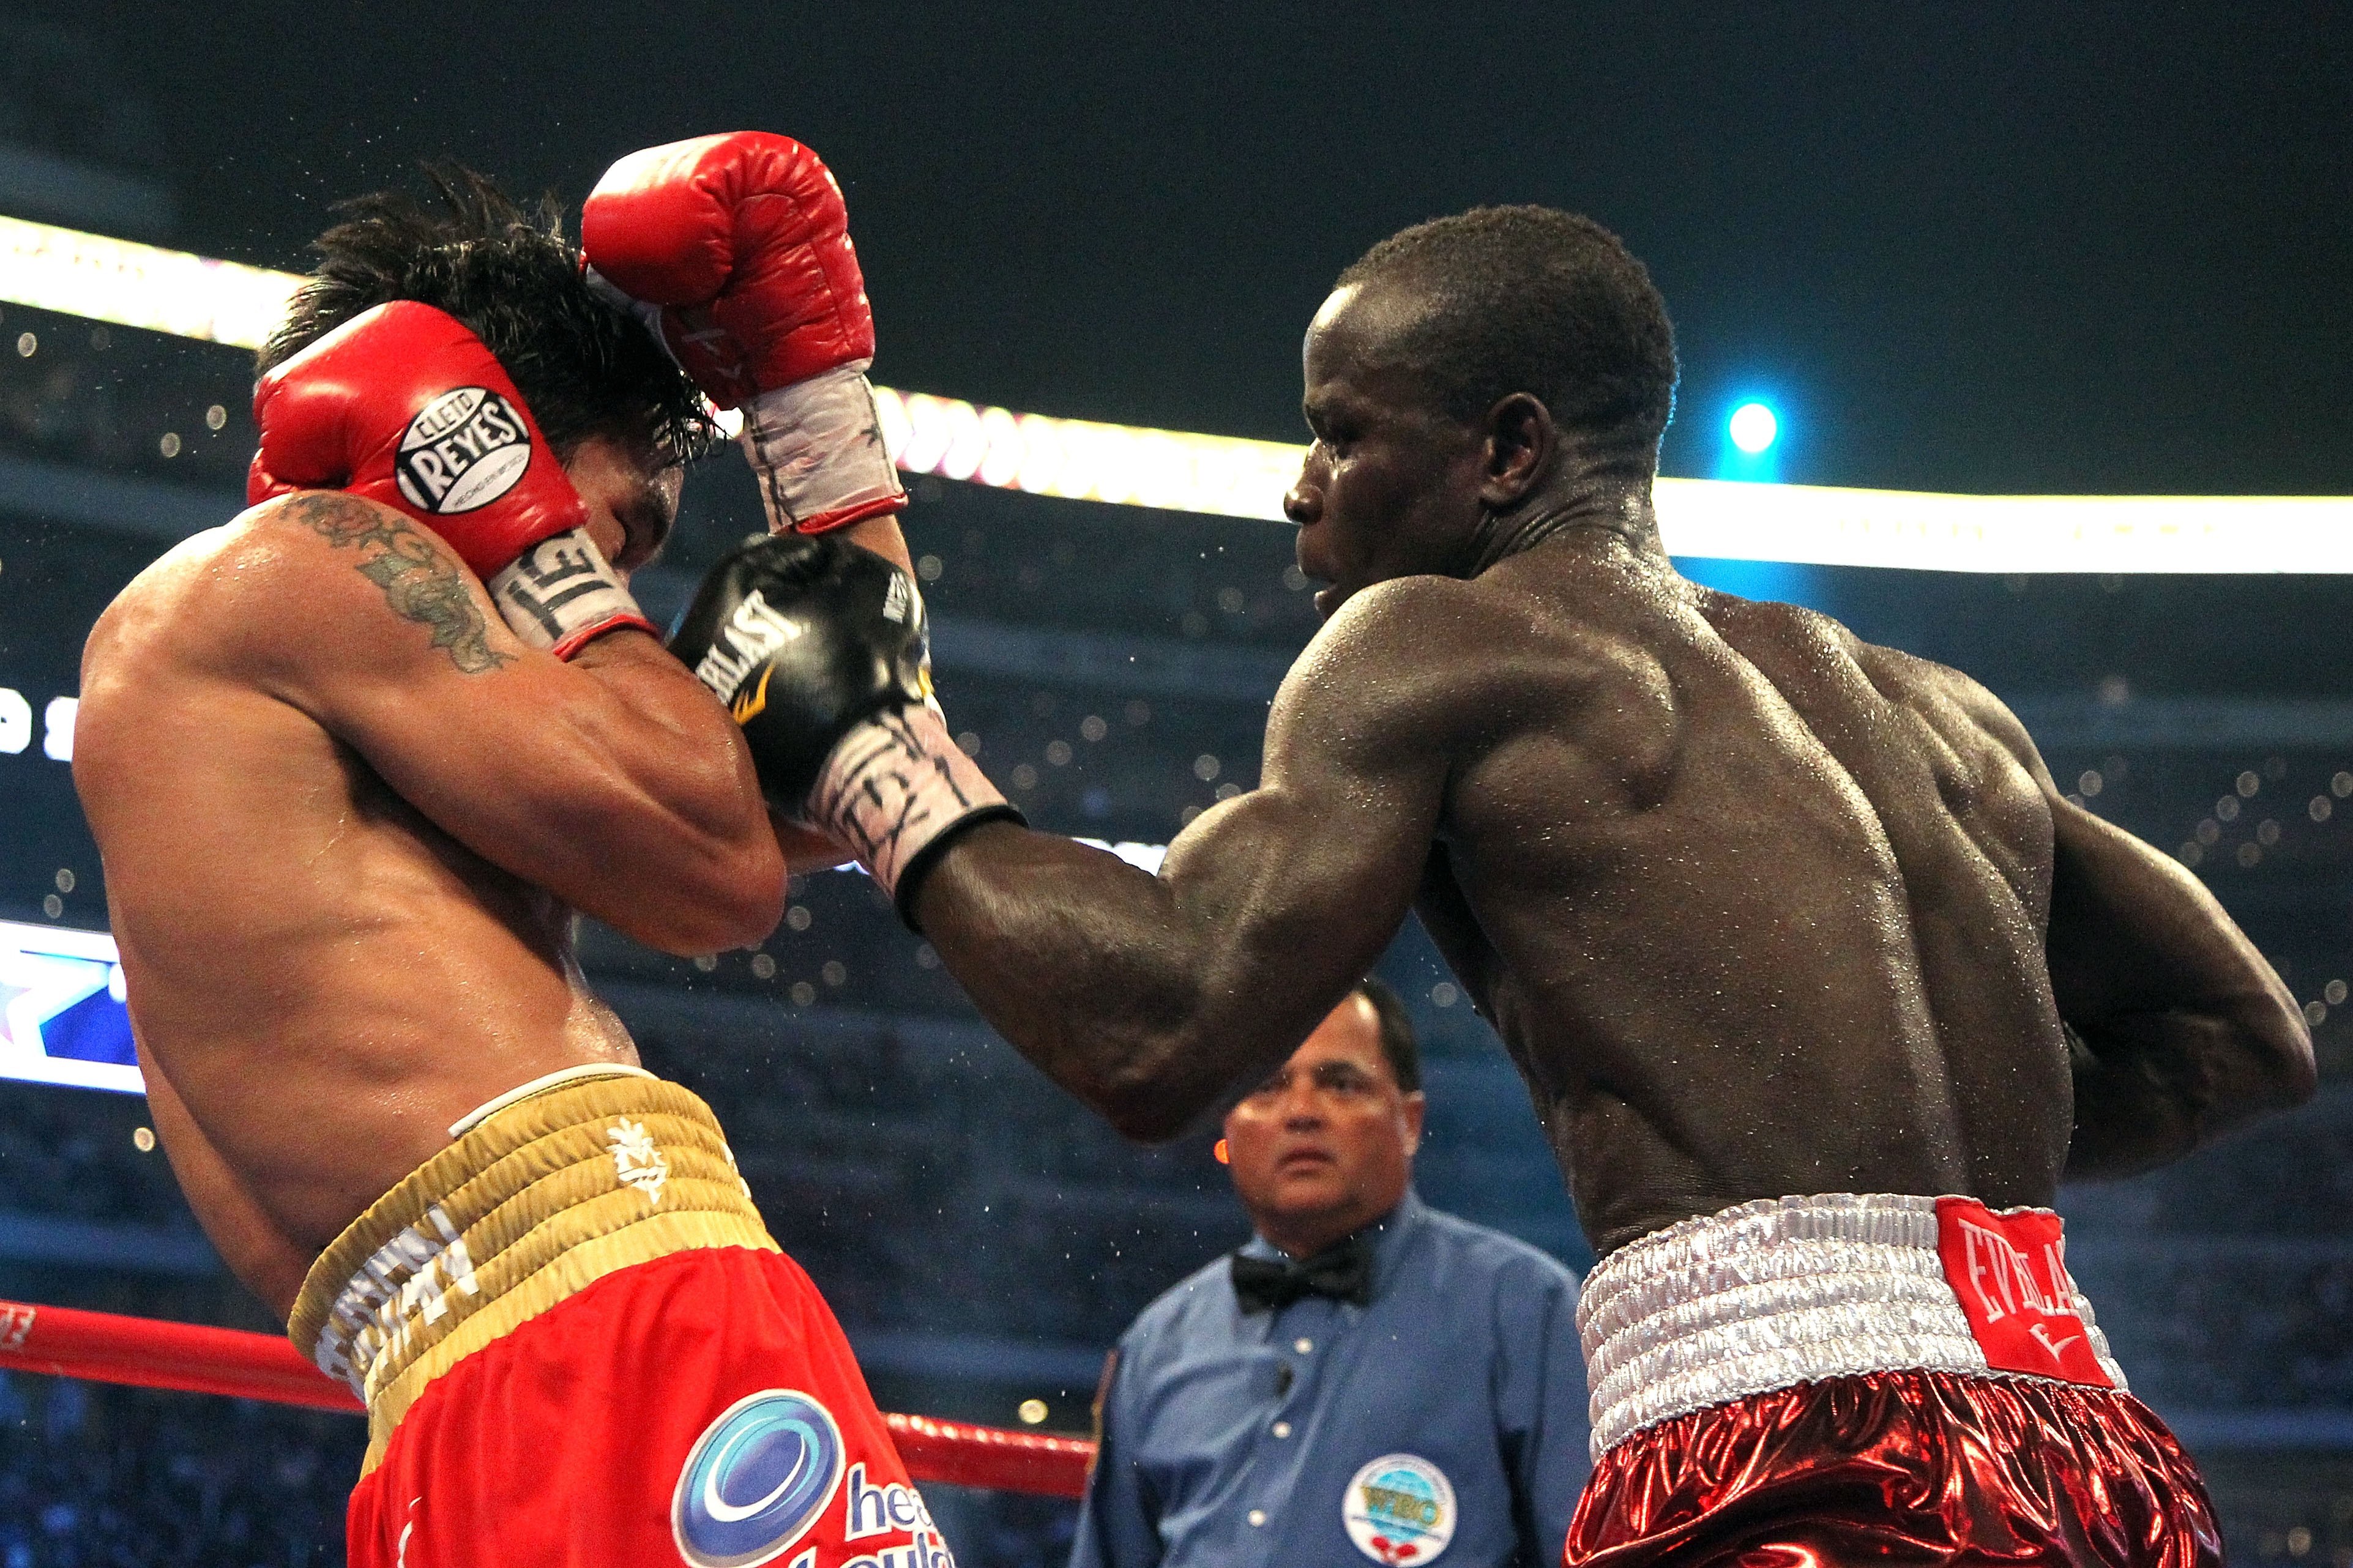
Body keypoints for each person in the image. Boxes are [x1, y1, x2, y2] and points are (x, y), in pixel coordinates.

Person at [674, 205, 2317, 1566]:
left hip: (1796, 1459)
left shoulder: (1431, 639)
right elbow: (2245, 1039)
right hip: (2095, 1447)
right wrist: (1899, 1186)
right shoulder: (1931, 707)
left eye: (1339, 431)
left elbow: (1156, 1029)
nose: (1297, 483)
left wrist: (879, 760)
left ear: (1504, 450)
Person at [74, 146, 961, 1568]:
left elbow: (855, 772)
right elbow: (722, 869)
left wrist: (815, 427)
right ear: (490, 436)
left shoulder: (313, 662)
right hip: (601, 1325)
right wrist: (531, 527)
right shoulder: (305, 566)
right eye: (634, 524)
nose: (628, 579)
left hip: (480, 1381)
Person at [1074, 980, 1587, 1568]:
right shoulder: (1157, 1344)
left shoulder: (1527, 1309)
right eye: (1266, 1086)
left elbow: (1586, 1554)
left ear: (1410, 1120)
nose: (1301, 1112)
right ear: (1228, 1126)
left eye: (1340, 1083)